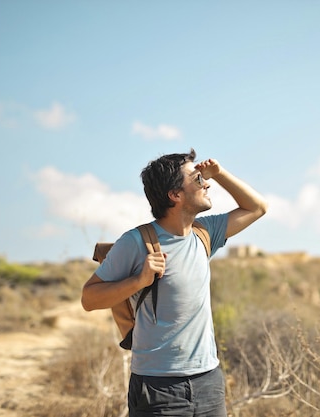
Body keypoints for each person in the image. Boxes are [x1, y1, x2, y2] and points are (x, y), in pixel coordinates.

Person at [81, 149, 267, 416]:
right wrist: (138, 280)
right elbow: (89, 299)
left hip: (208, 381)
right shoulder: (135, 242)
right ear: (175, 195)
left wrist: (220, 173)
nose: (207, 184)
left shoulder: (205, 233)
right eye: (198, 179)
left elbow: (257, 207)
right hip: (157, 387)